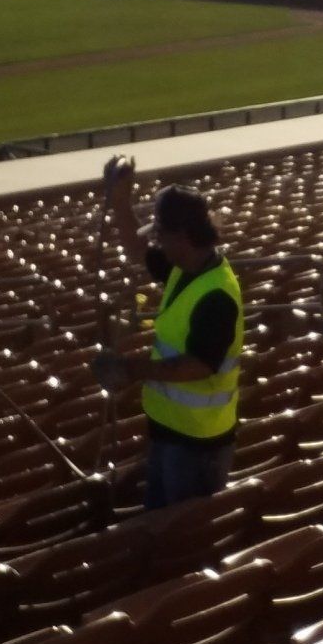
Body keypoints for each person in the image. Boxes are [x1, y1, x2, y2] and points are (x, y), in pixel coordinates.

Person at [95, 157, 244, 507]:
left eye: (162, 235)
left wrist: (130, 369)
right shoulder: (185, 267)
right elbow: (137, 250)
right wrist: (120, 200)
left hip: (196, 442)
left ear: (183, 236)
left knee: (176, 538)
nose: (157, 242)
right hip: (172, 430)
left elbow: (199, 365)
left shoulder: (216, 294)